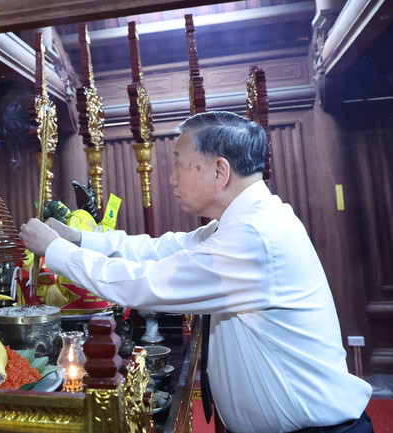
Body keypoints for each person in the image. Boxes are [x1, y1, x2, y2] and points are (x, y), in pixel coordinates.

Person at [20, 111, 373, 433]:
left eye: (179, 164)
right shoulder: (241, 223)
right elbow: (161, 249)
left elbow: (146, 283)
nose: (172, 179)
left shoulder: (255, 236)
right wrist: (77, 237)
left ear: (219, 172)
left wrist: (53, 249)